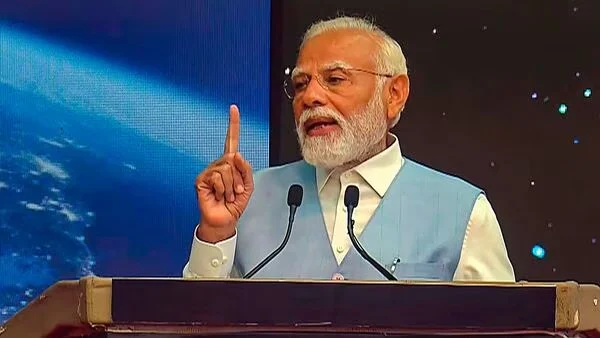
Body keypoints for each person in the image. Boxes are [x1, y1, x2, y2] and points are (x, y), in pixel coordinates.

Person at [182, 16, 515, 282]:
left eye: (335, 79)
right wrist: (216, 233)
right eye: (300, 84)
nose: (310, 97)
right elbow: (195, 322)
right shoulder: (248, 199)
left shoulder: (463, 210)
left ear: (394, 93)